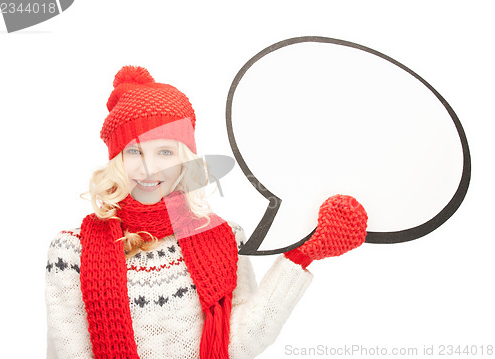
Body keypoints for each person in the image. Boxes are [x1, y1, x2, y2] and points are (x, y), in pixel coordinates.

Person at [45, 65, 368, 359]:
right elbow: (68, 350)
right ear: (117, 158)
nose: (149, 168)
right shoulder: (73, 249)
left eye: (166, 151)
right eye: (134, 151)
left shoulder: (226, 236)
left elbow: (239, 344)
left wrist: (299, 257)